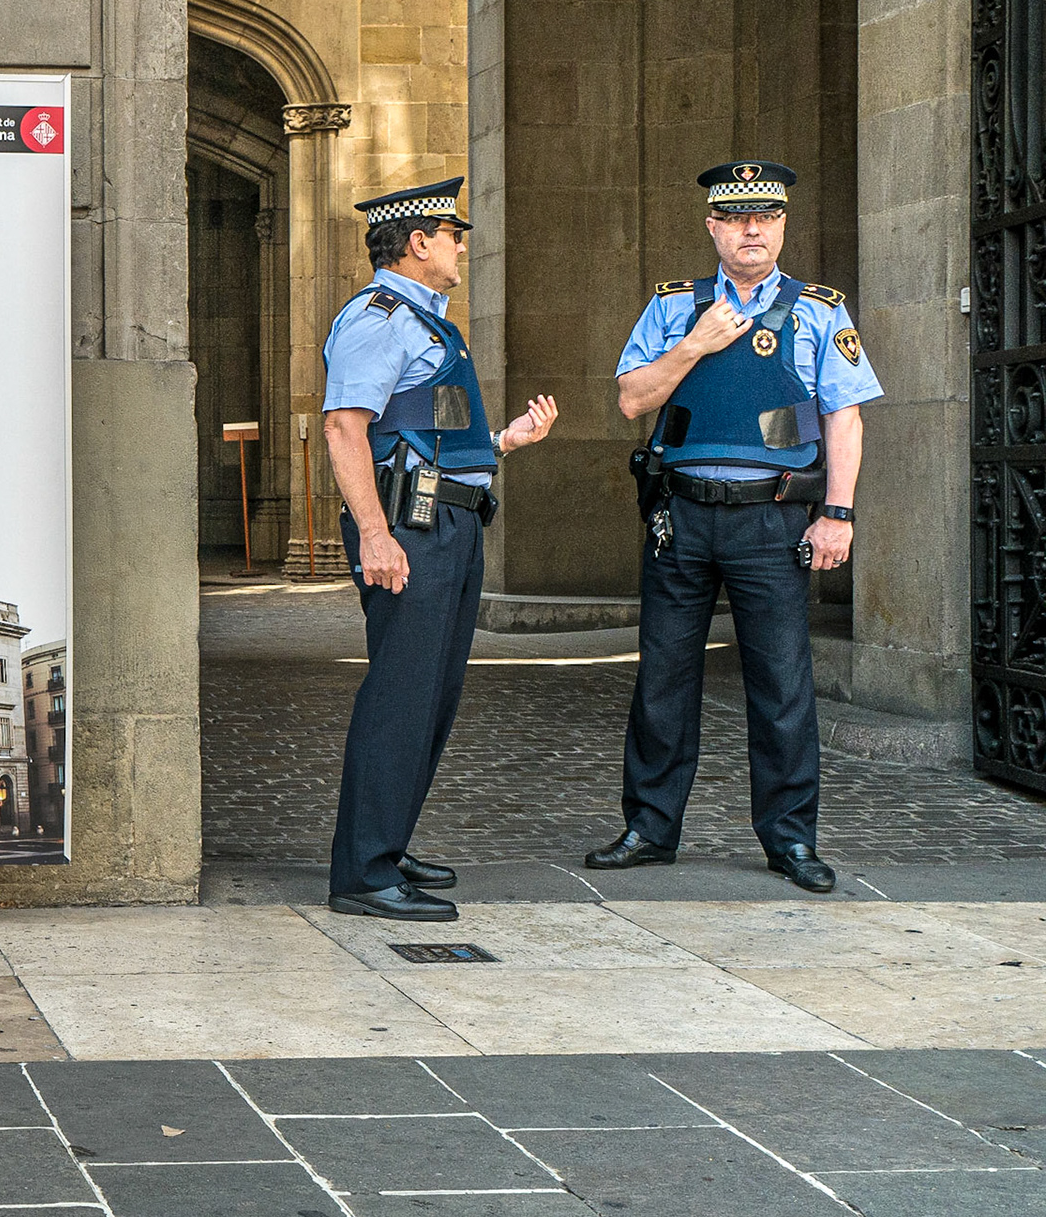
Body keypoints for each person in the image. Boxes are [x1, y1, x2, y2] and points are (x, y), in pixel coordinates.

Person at [586, 160, 882, 893]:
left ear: (782, 226)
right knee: (662, 679)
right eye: (738, 218)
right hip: (681, 518)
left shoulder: (819, 311)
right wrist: (696, 343)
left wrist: (837, 514)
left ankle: (791, 839)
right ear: (713, 227)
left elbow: (844, 418)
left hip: (771, 520)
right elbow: (632, 399)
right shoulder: (674, 307)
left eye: (767, 217)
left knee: (782, 685)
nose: (753, 230)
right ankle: (650, 829)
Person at [322, 178, 559, 921]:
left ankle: (387, 843)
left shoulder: (431, 325)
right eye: (452, 235)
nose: (460, 248)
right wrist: (374, 534)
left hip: (448, 521)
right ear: (418, 242)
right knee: (401, 693)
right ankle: (363, 873)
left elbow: (427, 432)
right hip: (409, 528)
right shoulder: (380, 317)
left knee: (432, 696)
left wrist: (501, 443)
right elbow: (343, 427)